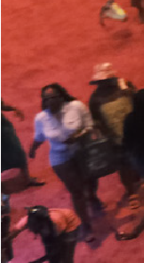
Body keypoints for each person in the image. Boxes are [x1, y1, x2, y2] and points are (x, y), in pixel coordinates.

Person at [29, 85, 98, 232]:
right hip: (60, 157)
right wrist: (32, 150)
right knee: (77, 191)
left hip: (81, 151)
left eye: (54, 97)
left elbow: (90, 125)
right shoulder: (41, 118)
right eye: (47, 99)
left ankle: (92, 197)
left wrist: (79, 136)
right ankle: (85, 224)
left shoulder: (76, 107)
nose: (51, 102)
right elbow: (39, 137)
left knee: (91, 179)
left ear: (62, 96)